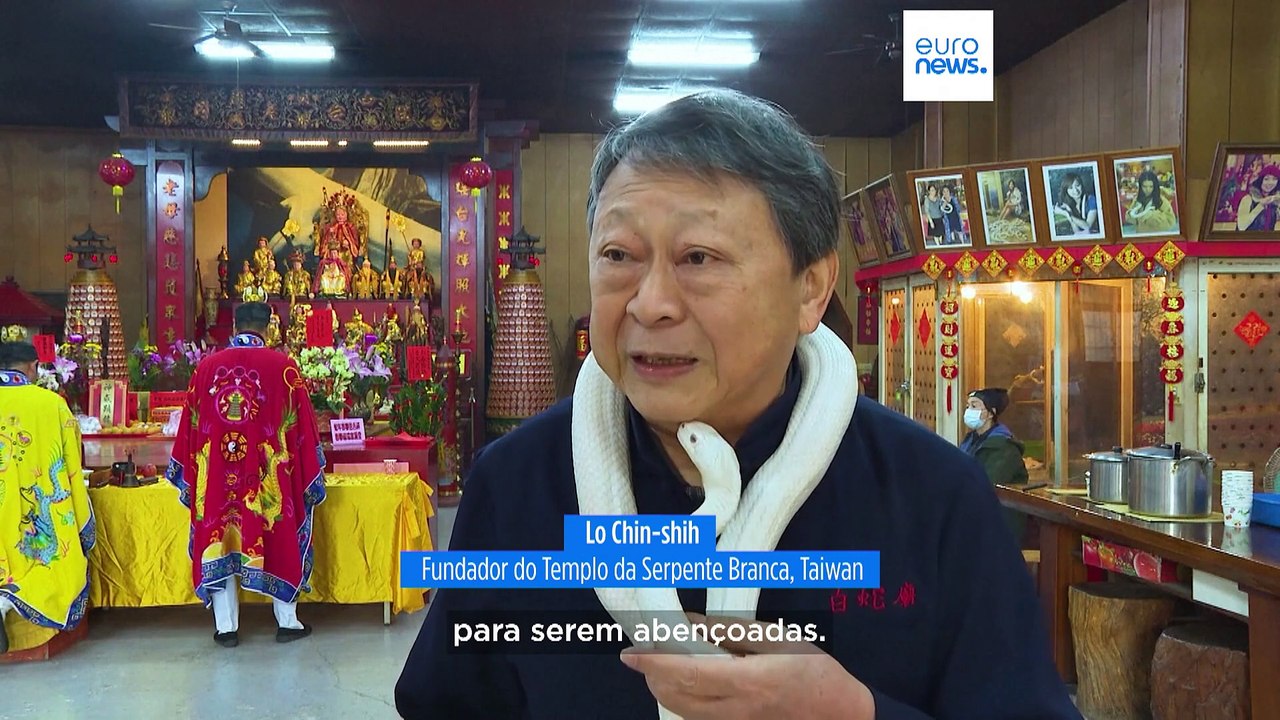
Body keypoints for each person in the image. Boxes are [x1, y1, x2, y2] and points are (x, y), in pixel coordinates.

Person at [395, 90, 1077, 719]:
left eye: (699, 257)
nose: (650, 303)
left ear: (810, 288)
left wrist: (854, 714)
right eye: (618, 254)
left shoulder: (934, 497)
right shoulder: (518, 483)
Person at [164, 302, 327, 648]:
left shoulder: (206, 368)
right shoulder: (284, 369)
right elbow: (304, 431)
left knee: (217, 540)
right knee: (280, 530)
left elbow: (190, 432)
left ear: (235, 325)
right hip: (269, 479)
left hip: (217, 476)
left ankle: (226, 629)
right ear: (269, 328)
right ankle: (288, 621)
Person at [0, 341, 96, 655]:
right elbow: (71, 462)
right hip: (34, 506)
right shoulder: (50, 404)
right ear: (31, 367)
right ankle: (10, 599)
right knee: (47, 547)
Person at [960, 388, 1029, 542]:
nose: (969, 411)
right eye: (968, 406)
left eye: (974, 406)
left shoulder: (1005, 446)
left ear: (991, 413)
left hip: (999, 521)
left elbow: (987, 483)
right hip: (974, 513)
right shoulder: (971, 440)